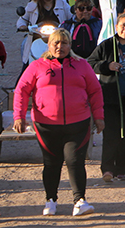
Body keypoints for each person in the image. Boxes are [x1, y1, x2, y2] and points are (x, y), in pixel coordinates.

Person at [13, 29, 104, 217]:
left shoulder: (82, 65)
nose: (60, 47)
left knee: (75, 161)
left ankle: (80, 201)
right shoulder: (37, 66)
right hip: (46, 125)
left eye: (64, 43)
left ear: (70, 45)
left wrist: (99, 117)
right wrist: (18, 116)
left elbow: (95, 91)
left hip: (78, 123)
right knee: (51, 163)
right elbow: (21, 90)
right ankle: (51, 200)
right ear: (49, 45)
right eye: (56, 43)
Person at [86, 12, 125, 182]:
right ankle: (107, 168)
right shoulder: (107, 45)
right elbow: (90, 63)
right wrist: (107, 66)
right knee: (110, 134)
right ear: (116, 27)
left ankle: (121, 168)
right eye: (123, 25)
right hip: (110, 98)